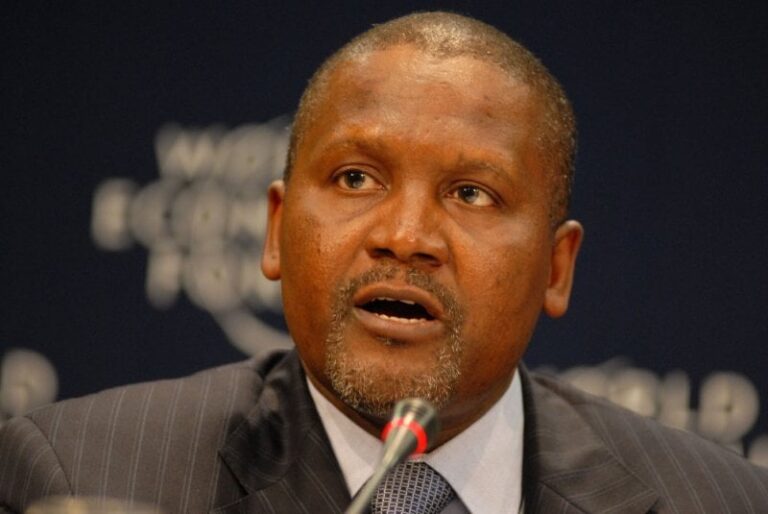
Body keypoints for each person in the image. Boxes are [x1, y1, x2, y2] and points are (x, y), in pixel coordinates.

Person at [1, 11, 766, 514]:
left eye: (471, 193)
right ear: (276, 230)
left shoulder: (717, 503)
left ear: (556, 268)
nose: (405, 236)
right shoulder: (81, 476)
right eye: (355, 179)